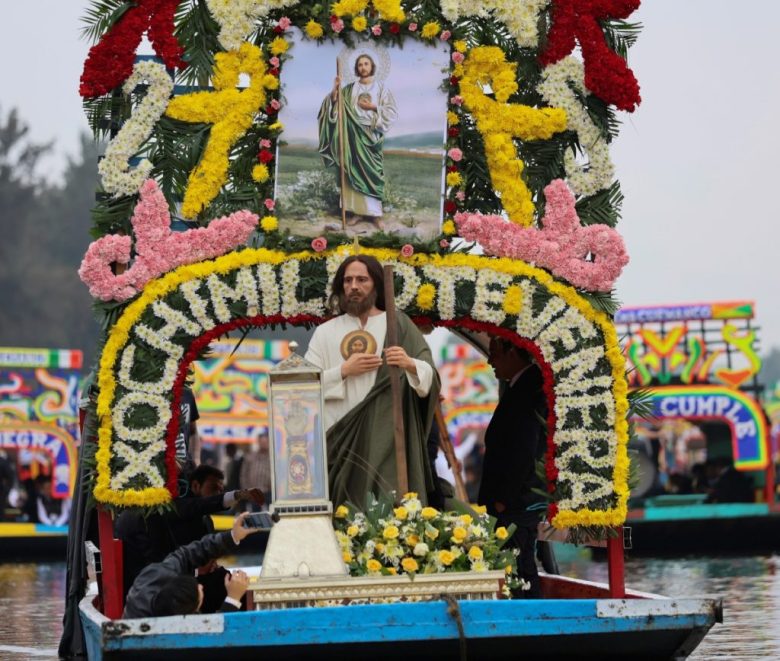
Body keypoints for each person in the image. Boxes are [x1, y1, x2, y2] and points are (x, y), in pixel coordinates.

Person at [304, 254, 440, 507]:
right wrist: (343, 371)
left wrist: (409, 363)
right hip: (340, 440)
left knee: (387, 509)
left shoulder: (398, 324)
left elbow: (429, 374)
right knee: (345, 515)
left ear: (376, 284)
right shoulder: (326, 332)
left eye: (361, 279)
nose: (353, 286)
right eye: (347, 280)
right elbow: (305, 385)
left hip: (387, 439)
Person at [478, 337, 548, 598]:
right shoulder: (518, 386)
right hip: (512, 502)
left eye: (494, 353)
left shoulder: (529, 388)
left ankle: (532, 627)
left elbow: (524, 451)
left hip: (516, 503)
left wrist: (502, 501)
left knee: (521, 571)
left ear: (512, 352)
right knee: (516, 568)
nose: (489, 361)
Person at [318, 52, 398, 230]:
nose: (363, 67)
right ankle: (356, 212)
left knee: (373, 175)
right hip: (351, 136)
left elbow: (391, 111)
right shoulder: (349, 89)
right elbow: (334, 107)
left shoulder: (381, 88)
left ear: (372, 67)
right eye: (360, 64)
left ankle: (375, 215)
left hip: (371, 134)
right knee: (352, 173)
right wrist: (335, 90)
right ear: (356, 68)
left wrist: (373, 107)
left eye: (366, 64)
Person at [123, 513, 257, 618]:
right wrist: (233, 599)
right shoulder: (167, 636)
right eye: (199, 595)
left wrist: (232, 536)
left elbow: (187, 555)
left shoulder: (153, 576)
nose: (200, 585)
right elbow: (213, 640)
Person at [239, 432, 272, 509]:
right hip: (254, 492)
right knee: (255, 514)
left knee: (271, 513)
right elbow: (243, 475)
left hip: (269, 491)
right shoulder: (250, 456)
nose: (264, 444)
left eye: (265, 442)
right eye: (262, 442)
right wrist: (246, 489)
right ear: (258, 442)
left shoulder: (273, 457)